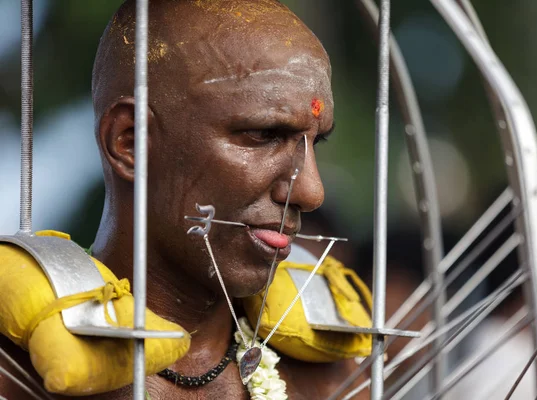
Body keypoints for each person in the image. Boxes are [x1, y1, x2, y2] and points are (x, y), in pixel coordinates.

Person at [0, 1, 367, 398]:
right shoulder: (14, 372)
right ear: (130, 142)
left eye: (316, 142)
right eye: (263, 135)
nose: (311, 192)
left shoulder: (334, 381)